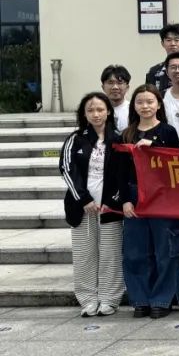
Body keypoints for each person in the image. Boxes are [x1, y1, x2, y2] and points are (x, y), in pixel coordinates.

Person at [117, 85, 179, 318]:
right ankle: (140, 299)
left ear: (159, 104)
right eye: (140, 102)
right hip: (134, 195)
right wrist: (125, 200)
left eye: (150, 101)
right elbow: (120, 172)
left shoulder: (168, 132)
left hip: (162, 195)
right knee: (135, 251)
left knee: (165, 250)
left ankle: (162, 299)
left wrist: (154, 147)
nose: (145, 106)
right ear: (133, 106)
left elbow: (174, 165)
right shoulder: (126, 134)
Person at [60, 92, 124, 317]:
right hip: (81, 207)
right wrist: (83, 198)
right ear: (84, 114)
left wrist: (112, 201)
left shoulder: (118, 138)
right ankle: (87, 299)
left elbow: (124, 174)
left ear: (108, 111)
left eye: (100, 109)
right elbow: (66, 169)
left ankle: (109, 299)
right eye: (90, 110)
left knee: (110, 254)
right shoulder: (75, 138)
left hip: (109, 207)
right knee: (84, 254)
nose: (96, 114)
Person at [100, 65, 131, 133]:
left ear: (127, 87)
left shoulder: (133, 109)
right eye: (110, 83)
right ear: (103, 87)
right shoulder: (96, 111)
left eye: (120, 83)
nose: (115, 87)